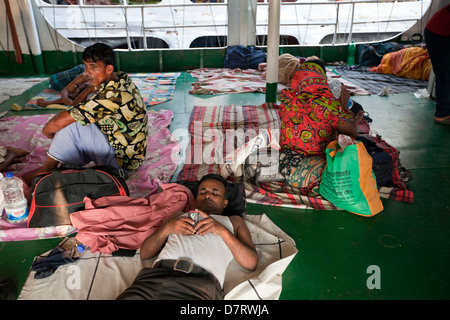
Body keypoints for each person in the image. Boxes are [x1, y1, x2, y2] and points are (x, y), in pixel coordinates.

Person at [116, 173, 258, 300]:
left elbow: (251, 263)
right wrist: (167, 228)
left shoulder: (234, 221)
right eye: (203, 191)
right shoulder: (178, 216)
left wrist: (222, 231)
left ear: (225, 202)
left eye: (215, 192)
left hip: (198, 286)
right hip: (153, 279)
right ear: (196, 198)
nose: (207, 195)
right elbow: (145, 254)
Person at [22, 43, 148, 185]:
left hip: (122, 164)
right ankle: (66, 162)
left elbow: (55, 123)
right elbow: (76, 106)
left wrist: (48, 132)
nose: (88, 72)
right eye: (86, 66)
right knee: (77, 116)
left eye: (93, 67)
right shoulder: (120, 78)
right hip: (132, 154)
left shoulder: (110, 97)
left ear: (109, 68)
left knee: (71, 125)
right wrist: (89, 89)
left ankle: (45, 171)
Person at [278, 56, 363, 158]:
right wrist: (347, 109)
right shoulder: (328, 104)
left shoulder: (287, 100)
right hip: (316, 163)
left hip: (286, 161)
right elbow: (351, 132)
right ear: (322, 78)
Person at [424, 3, 450, 124]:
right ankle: (442, 114)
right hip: (438, 35)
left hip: (440, 33)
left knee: (444, 74)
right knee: (444, 75)